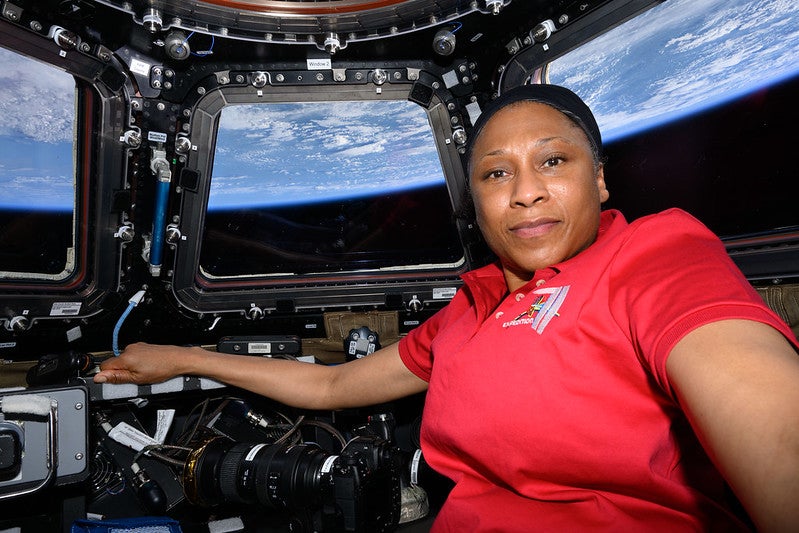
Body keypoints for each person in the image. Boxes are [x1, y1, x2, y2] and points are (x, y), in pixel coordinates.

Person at [94, 84, 799, 532]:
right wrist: (177, 356)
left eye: (552, 161)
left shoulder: (651, 257)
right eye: (496, 173)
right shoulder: (469, 307)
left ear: (601, 180)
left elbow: (776, 438)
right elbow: (332, 385)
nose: (524, 191)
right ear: (476, 202)